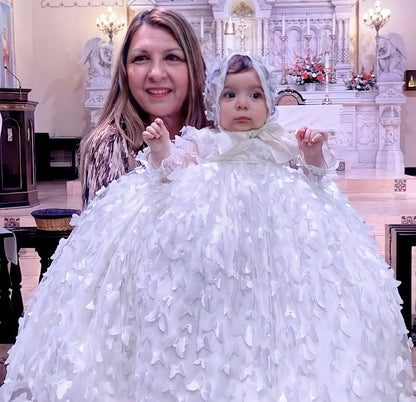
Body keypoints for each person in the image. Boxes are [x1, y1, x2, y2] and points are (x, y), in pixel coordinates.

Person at [1, 53, 414, 401]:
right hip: (215, 239)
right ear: (215, 103)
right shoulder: (205, 141)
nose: (242, 104)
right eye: (230, 95)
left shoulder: (281, 140)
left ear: (270, 102)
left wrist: (312, 151)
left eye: (254, 95)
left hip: (280, 237)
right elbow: (170, 176)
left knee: (287, 302)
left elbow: (317, 177)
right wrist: (162, 149)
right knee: (212, 302)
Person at [79, 7, 208, 208]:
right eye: (141, 58)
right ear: (125, 72)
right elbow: (107, 234)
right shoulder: (111, 146)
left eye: (172, 57)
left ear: (195, 69)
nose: (156, 73)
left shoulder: (220, 138)